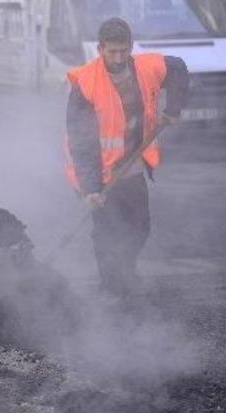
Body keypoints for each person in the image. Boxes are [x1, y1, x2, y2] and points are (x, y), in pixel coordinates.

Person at [65, 18, 189, 298]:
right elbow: (81, 142)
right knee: (107, 233)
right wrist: (91, 189)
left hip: (132, 167)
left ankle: (124, 272)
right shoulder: (85, 83)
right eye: (112, 52)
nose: (118, 58)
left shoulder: (147, 67)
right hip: (99, 172)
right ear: (100, 48)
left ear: (131, 47)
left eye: (123, 51)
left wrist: (175, 108)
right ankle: (111, 288)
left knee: (139, 227)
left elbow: (179, 68)